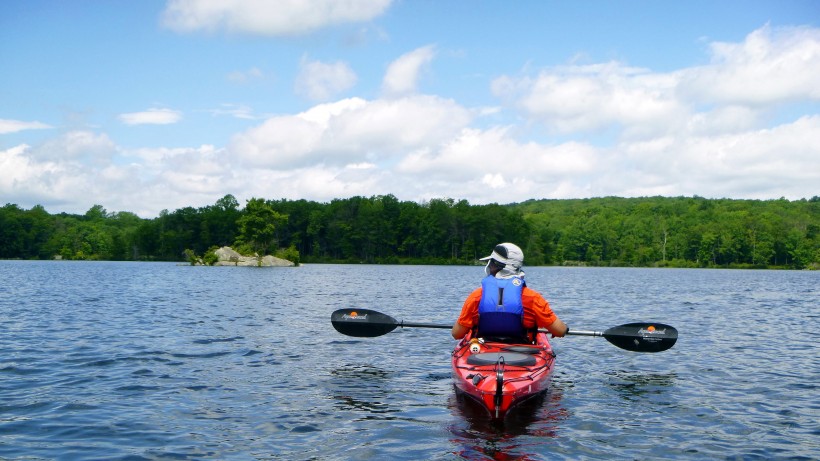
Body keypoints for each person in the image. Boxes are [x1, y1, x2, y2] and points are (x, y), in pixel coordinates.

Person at [451, 242, 568, 342]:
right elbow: (560, 330)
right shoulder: (533, 298)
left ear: (495, 266)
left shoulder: (476, 296)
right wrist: (565, 329)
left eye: (491, 263)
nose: (489, 266)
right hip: (523, 354)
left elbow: (457, 334)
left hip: (483, 353)